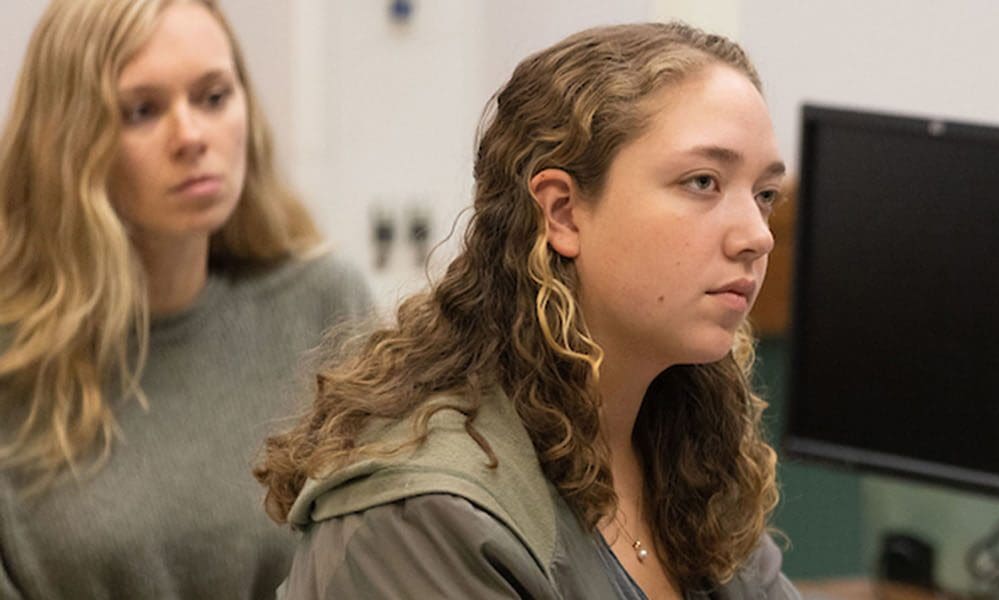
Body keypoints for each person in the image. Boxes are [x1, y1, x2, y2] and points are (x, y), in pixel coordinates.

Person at [256, 22, 800, 599]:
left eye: (764, 195)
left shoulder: (682, 442)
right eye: (702, 182)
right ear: (563, 213)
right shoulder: (425, 514)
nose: (757, 236)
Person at [0, 0, 372, 597]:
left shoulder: (323, 305)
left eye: (213, 97)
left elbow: (382, 558)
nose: (191, 136)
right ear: (67, 142)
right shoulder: (15, 358)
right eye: (142, 110)